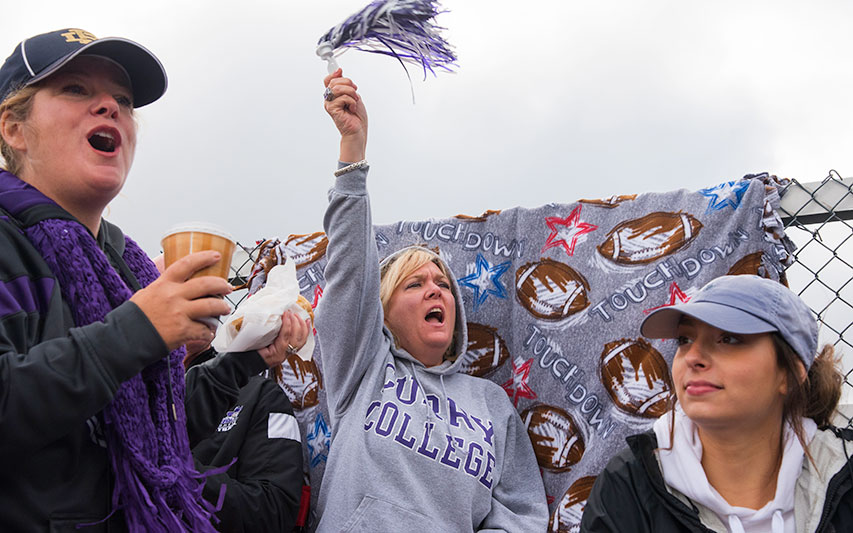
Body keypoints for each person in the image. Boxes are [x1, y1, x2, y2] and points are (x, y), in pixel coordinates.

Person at [0, 28, 295, 531]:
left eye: (124, 101)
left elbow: (148, 423)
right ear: (14, 128)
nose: (109, 108)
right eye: (75, 89)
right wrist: (136, 330)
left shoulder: (123, 267)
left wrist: (244, 359)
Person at [313, 70, 549, 531]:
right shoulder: (363, 366)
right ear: (380, 312)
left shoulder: (492, 403)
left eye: (441, 281)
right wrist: (353, 155)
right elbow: (349, 271)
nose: (435, 288)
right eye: (414, 283)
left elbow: (521, 515)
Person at [580, 275, 853, 532]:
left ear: (790, 373)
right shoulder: (629, 485)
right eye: (684, 340)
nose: (693, 356)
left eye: (729, 338)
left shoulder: (843, 475)